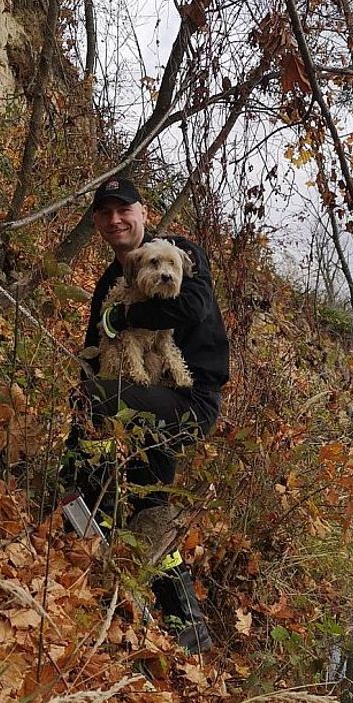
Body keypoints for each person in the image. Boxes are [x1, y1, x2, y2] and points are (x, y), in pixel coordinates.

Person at [71, 177, 229, 653]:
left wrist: (129, 320)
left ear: (142, 213)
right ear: (97, 223)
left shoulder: (180, 252)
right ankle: (179, 625)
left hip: (189, 397)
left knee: (105, 430)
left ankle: (90, 512)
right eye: (105, 213)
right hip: (142, 393)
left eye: (125, 210)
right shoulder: (110, 281)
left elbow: (194, 305)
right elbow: (99, 346)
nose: (116, 220)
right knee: (145, 496)